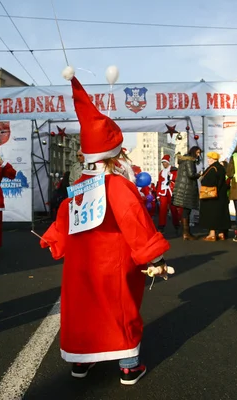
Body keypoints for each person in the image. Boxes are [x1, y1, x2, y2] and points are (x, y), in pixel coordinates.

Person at [40, 73, 170, 386]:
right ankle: (128, 364)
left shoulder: (79, 186)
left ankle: (81, 363)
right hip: (114, 263)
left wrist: (54, 240)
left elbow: (63, 221)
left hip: (81, 266)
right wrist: (152, 260)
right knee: (119, 308)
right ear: (116, 155)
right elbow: (136, 223)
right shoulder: (120, 186)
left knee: (83, 311)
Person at [198, 152, 231, 241]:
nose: (208, 160)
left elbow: (209, 182)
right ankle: (221, 234)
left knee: (211, 213)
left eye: (209, 158)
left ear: (213, 159)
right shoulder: (221, 168)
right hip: (222, 195)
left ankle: (212, 234)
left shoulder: (212, 169)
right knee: (220, 213)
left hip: (211, 195)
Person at [172, 146, 202, 240]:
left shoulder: (183, 161)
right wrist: (199, 174)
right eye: (197, 152)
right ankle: (186, 233)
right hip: (187, 189)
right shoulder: (190, 161)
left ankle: (186, 232)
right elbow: (191, 174)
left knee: (185, 211)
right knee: (186, 211)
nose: (198, 155)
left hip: (183, 188)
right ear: (193, 152)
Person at [156, 155, 181, 234]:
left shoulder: (173, 170)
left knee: (173, 209)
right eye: (163, 163)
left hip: (171, 191)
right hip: (163, 192)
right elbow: (159, 183)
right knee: (162, 210)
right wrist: (157, 194)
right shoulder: (161, 172)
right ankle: (161, 226)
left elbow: (177, 178)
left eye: (165, 162)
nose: (164, 164)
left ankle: (176, 224)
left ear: (168, 162)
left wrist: (171, 176)